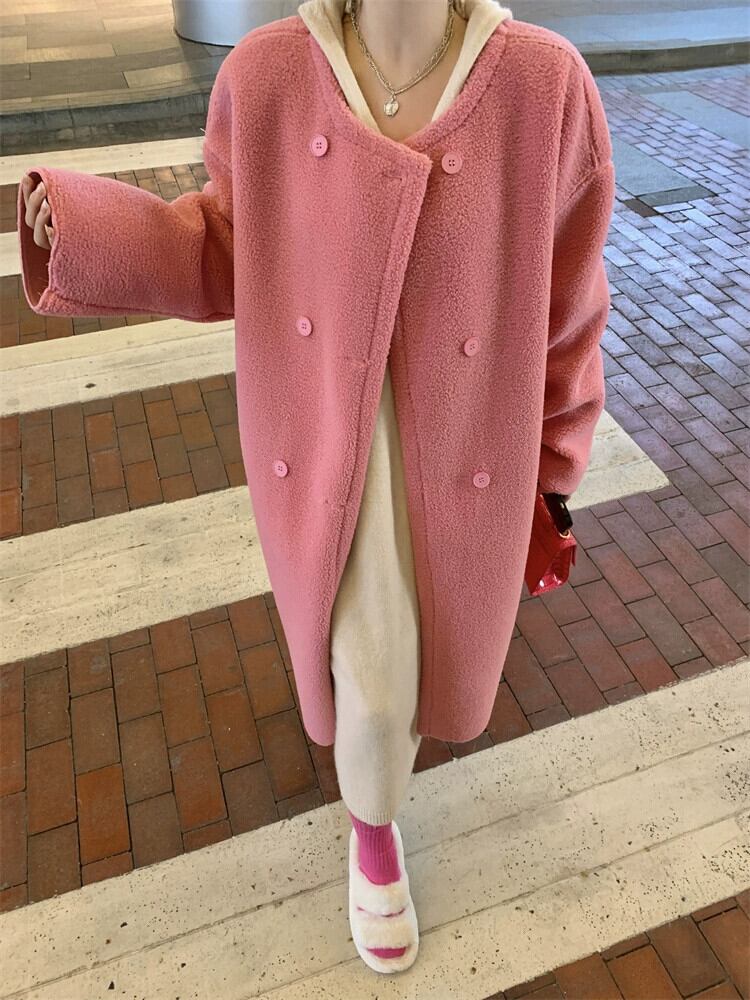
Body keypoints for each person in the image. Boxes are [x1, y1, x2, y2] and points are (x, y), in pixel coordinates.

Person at [20, 0, 613, 976]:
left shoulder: (543, 85)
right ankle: (373, 832)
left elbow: (570, 300)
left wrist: (553, 468)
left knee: (425, 658)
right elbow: (222, 243)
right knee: (373, 681)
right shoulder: (268, 75)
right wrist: (85, 225)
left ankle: (376, 800)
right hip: (340, 444)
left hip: (466, 444)